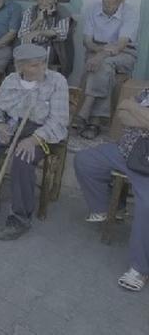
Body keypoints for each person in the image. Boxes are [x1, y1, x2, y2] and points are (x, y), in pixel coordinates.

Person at [0, 44, 68, 239]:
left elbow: (59, 122)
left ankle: (20, 218)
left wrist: (33, 140)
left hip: (41, 131)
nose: (41, 69)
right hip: (10, 125)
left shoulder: (57, 81)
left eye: (43, 64)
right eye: (34, 66)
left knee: (23, 157)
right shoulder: (11, 81)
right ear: (20, 67)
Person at [75, 86, 149, 292]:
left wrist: (135, 111)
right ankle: (108, 208)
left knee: (147, 206)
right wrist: (138, 114)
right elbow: (123, 111)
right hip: (124, 152)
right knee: (85, 160)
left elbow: (130, 110)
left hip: (146, 165)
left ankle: (139, 269)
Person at [76, 0, 139, 140]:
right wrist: (100, 53)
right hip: (97, 51)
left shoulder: (130, 13)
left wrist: (100, 55)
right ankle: (95, 121)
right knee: (104, 67)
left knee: (103, 63)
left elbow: (121, 45)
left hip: (125, 54)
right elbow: (87, 41)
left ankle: (87, 109)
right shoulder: (93, 9)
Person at [18, 0, 73, 77]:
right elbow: (22, 34)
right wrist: (37, 21)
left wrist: (38, 32)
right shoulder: (30, 11)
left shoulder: (62, 12)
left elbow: (62, 34)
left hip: (52, 48)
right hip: (31, 46)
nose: (44, 2)